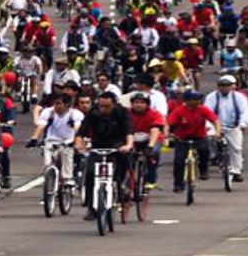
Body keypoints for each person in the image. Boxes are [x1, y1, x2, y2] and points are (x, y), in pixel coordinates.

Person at [75, 92, 133, 220]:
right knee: (90, 174)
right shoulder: (93, 113)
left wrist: (128, 145)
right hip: (98, 146)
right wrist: (78, 145)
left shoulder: (123, 113)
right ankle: (92, 207)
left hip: (118, 145)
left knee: (123, 163)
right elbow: (82, 131)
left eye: (107, 106)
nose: (103, 109)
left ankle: (121, 186)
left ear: (114, 104)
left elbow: (129, 131)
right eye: (101, 106)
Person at [27, 94, 83, 192]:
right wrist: (34, 138)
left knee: (67, 155)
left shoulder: (75, 114)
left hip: (68, 140)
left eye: (58, 103)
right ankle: (50, 184)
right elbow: (41, 126)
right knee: (48, 163)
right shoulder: (48, 112)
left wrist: (74, 141)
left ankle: (67, 178)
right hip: (51, 140)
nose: (56, 106)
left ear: (67, 105)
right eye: (55, 103)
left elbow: (77, 128)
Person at [167, 90, 220, 192]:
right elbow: (168, 123)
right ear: (187, 101)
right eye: (195, 99)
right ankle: (178, 184)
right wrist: (167, 133)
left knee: (205, 151)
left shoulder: (203, 109)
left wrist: (217, 132)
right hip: (182, 138)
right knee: (179, 161)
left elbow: (215, 120)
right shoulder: (179, 111)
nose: (198, 101)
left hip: (199, 137)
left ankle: (203, 170)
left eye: (199, 99)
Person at [205, 76, 248, 182]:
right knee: (209, 139)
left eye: (227, 85)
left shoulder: (239, 97)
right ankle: (214, 155)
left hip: (233, 126)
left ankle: (236, 171)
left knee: (236, 148)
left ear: (233, 86)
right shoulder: (211, 97)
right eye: (222, 86)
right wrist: (208, 126)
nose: (224, 88)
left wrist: (243, 124)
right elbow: (207, 113)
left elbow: (245, 112)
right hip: (215, 126)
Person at [128, 92, 166, 188]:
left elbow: (155, 130)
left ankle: (151, 177)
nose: (138, 105)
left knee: (154, 152)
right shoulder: (126, 114)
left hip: (150, 139)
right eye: (136, 102)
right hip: (132, 139)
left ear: (147, 104)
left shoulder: (155, 114)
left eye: (142, 102)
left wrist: (150, 146)